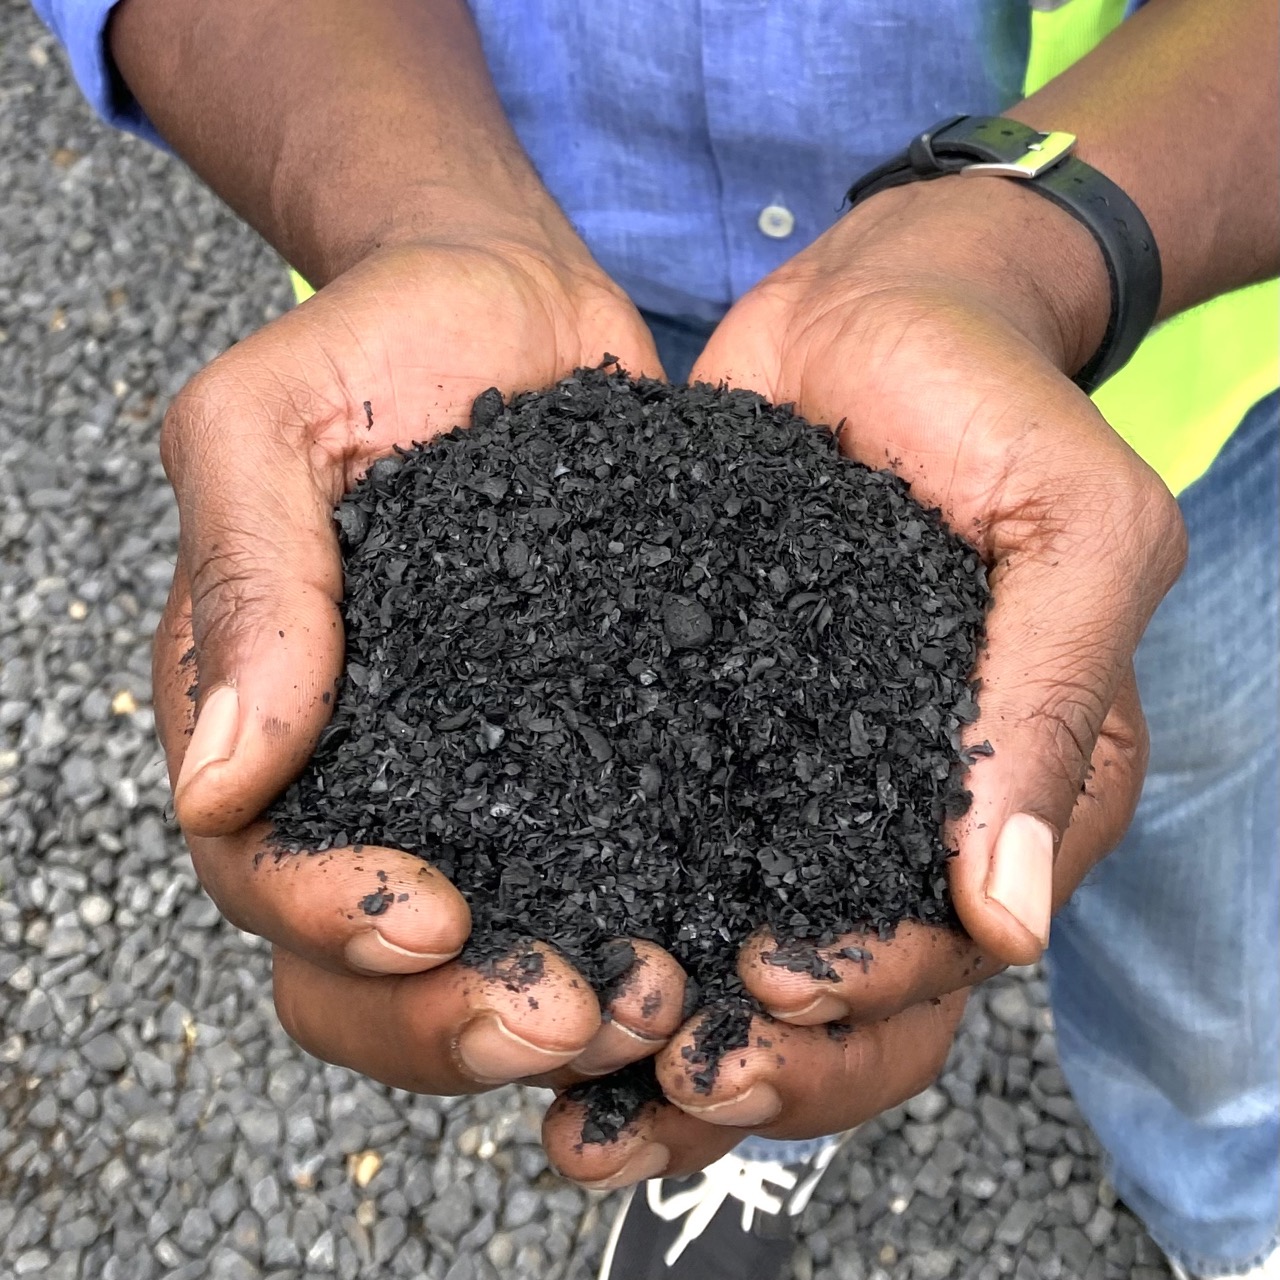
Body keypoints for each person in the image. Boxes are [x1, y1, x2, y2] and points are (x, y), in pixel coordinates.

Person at [32, 1, 1278, 1277]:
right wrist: (418, 211)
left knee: (1198, 869)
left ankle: (1225, 1193)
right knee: (778, 990)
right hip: (479, 322)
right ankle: (748, 1121)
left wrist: (1043, 241)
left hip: (1094, 381)